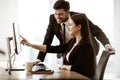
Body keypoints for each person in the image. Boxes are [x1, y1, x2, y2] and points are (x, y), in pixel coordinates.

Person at [35, 0, 115, 65]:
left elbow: (97, 31)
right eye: (55, 14)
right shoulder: (52, 19)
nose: (57, 17)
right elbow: (47, 39)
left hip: (85, 50)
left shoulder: (80, 17)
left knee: (81, 71)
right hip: (67, 50)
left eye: (60, 14)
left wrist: (107, 44)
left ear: (67, 12)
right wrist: (39, 59)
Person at [21, 14, 96, 78]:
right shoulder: (73, 41)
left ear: (79, 27)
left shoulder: (86, 46)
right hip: (74, 76)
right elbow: (53, 49)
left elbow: (78, 68)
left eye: (71, 24)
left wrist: (64, 67)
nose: (69, 27)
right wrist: (30, 45)